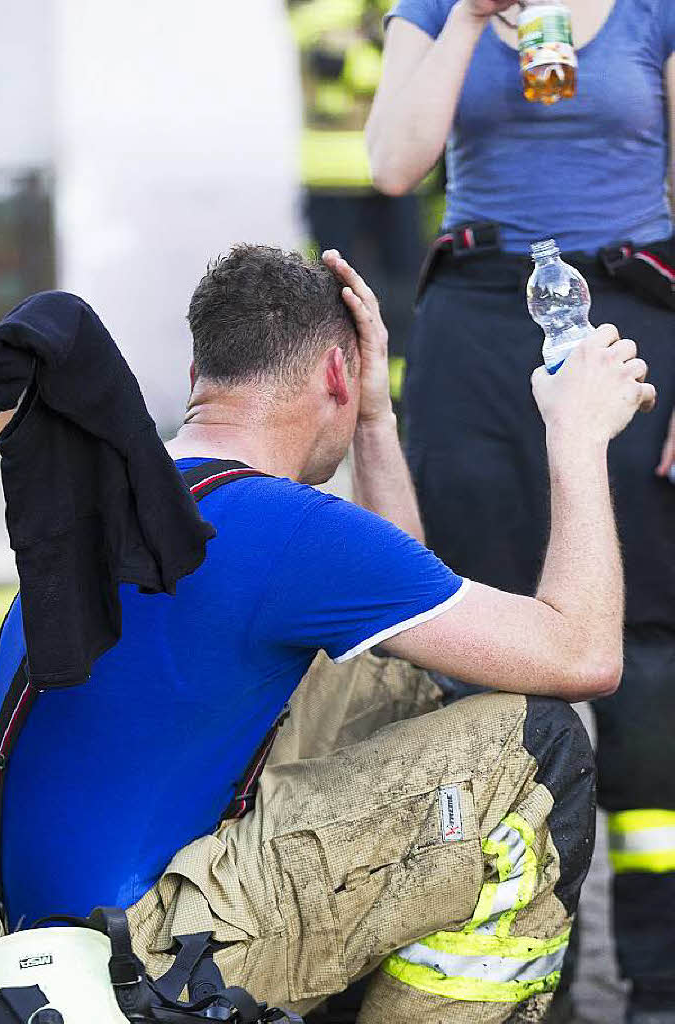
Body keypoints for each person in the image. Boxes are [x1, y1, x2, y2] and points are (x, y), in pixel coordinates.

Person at [0, 246, 653, 1024]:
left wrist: (374, 420)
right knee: (533, 745)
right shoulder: (288, 530)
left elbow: (404, 617)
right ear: (337, 374)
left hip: (10, 961)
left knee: (399, 680)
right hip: (139, 971)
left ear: (206, 369)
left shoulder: (138, 498)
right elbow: (582, 655)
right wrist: (577, 437)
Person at [367, 1, 675, 1019]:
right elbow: (390, 165)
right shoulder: (433, 11)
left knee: (649, 646)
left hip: (635, 306)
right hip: (481, 319)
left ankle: (659, 968)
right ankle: (524, 948)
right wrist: (463, 23)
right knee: (481, 638)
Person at [287, 0, 426, 371]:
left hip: (396, 171)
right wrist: (399, 60)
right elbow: (349, 69)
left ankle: (397, 381)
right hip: (334, 175)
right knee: (332, 290)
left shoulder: (393, 9)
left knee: (403, 284)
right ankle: (334, 375)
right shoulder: (316, 10)